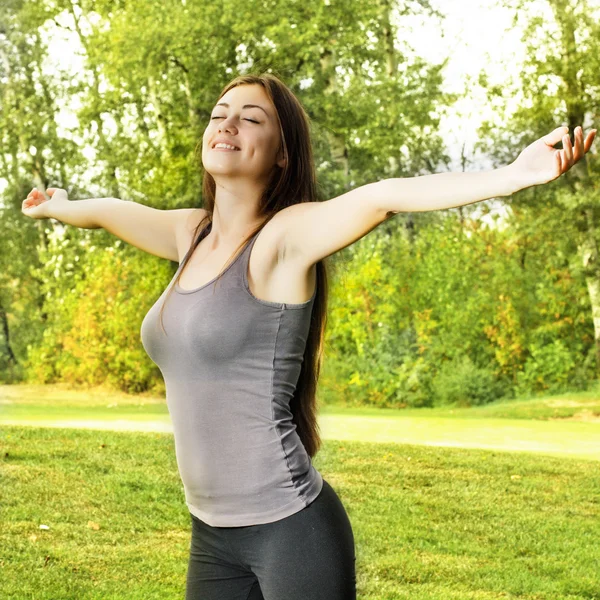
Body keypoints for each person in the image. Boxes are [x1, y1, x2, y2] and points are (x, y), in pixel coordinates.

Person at [22, 72, 596, 600]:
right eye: (221, 112)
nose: (228, 123)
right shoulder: (190, 235)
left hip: (291, 533)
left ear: (282, 154)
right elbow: (114, 211)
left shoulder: (282, 240)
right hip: (213, 536)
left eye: (251, 118)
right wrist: (62, 208)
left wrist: (512, 176)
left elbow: (381, 197)